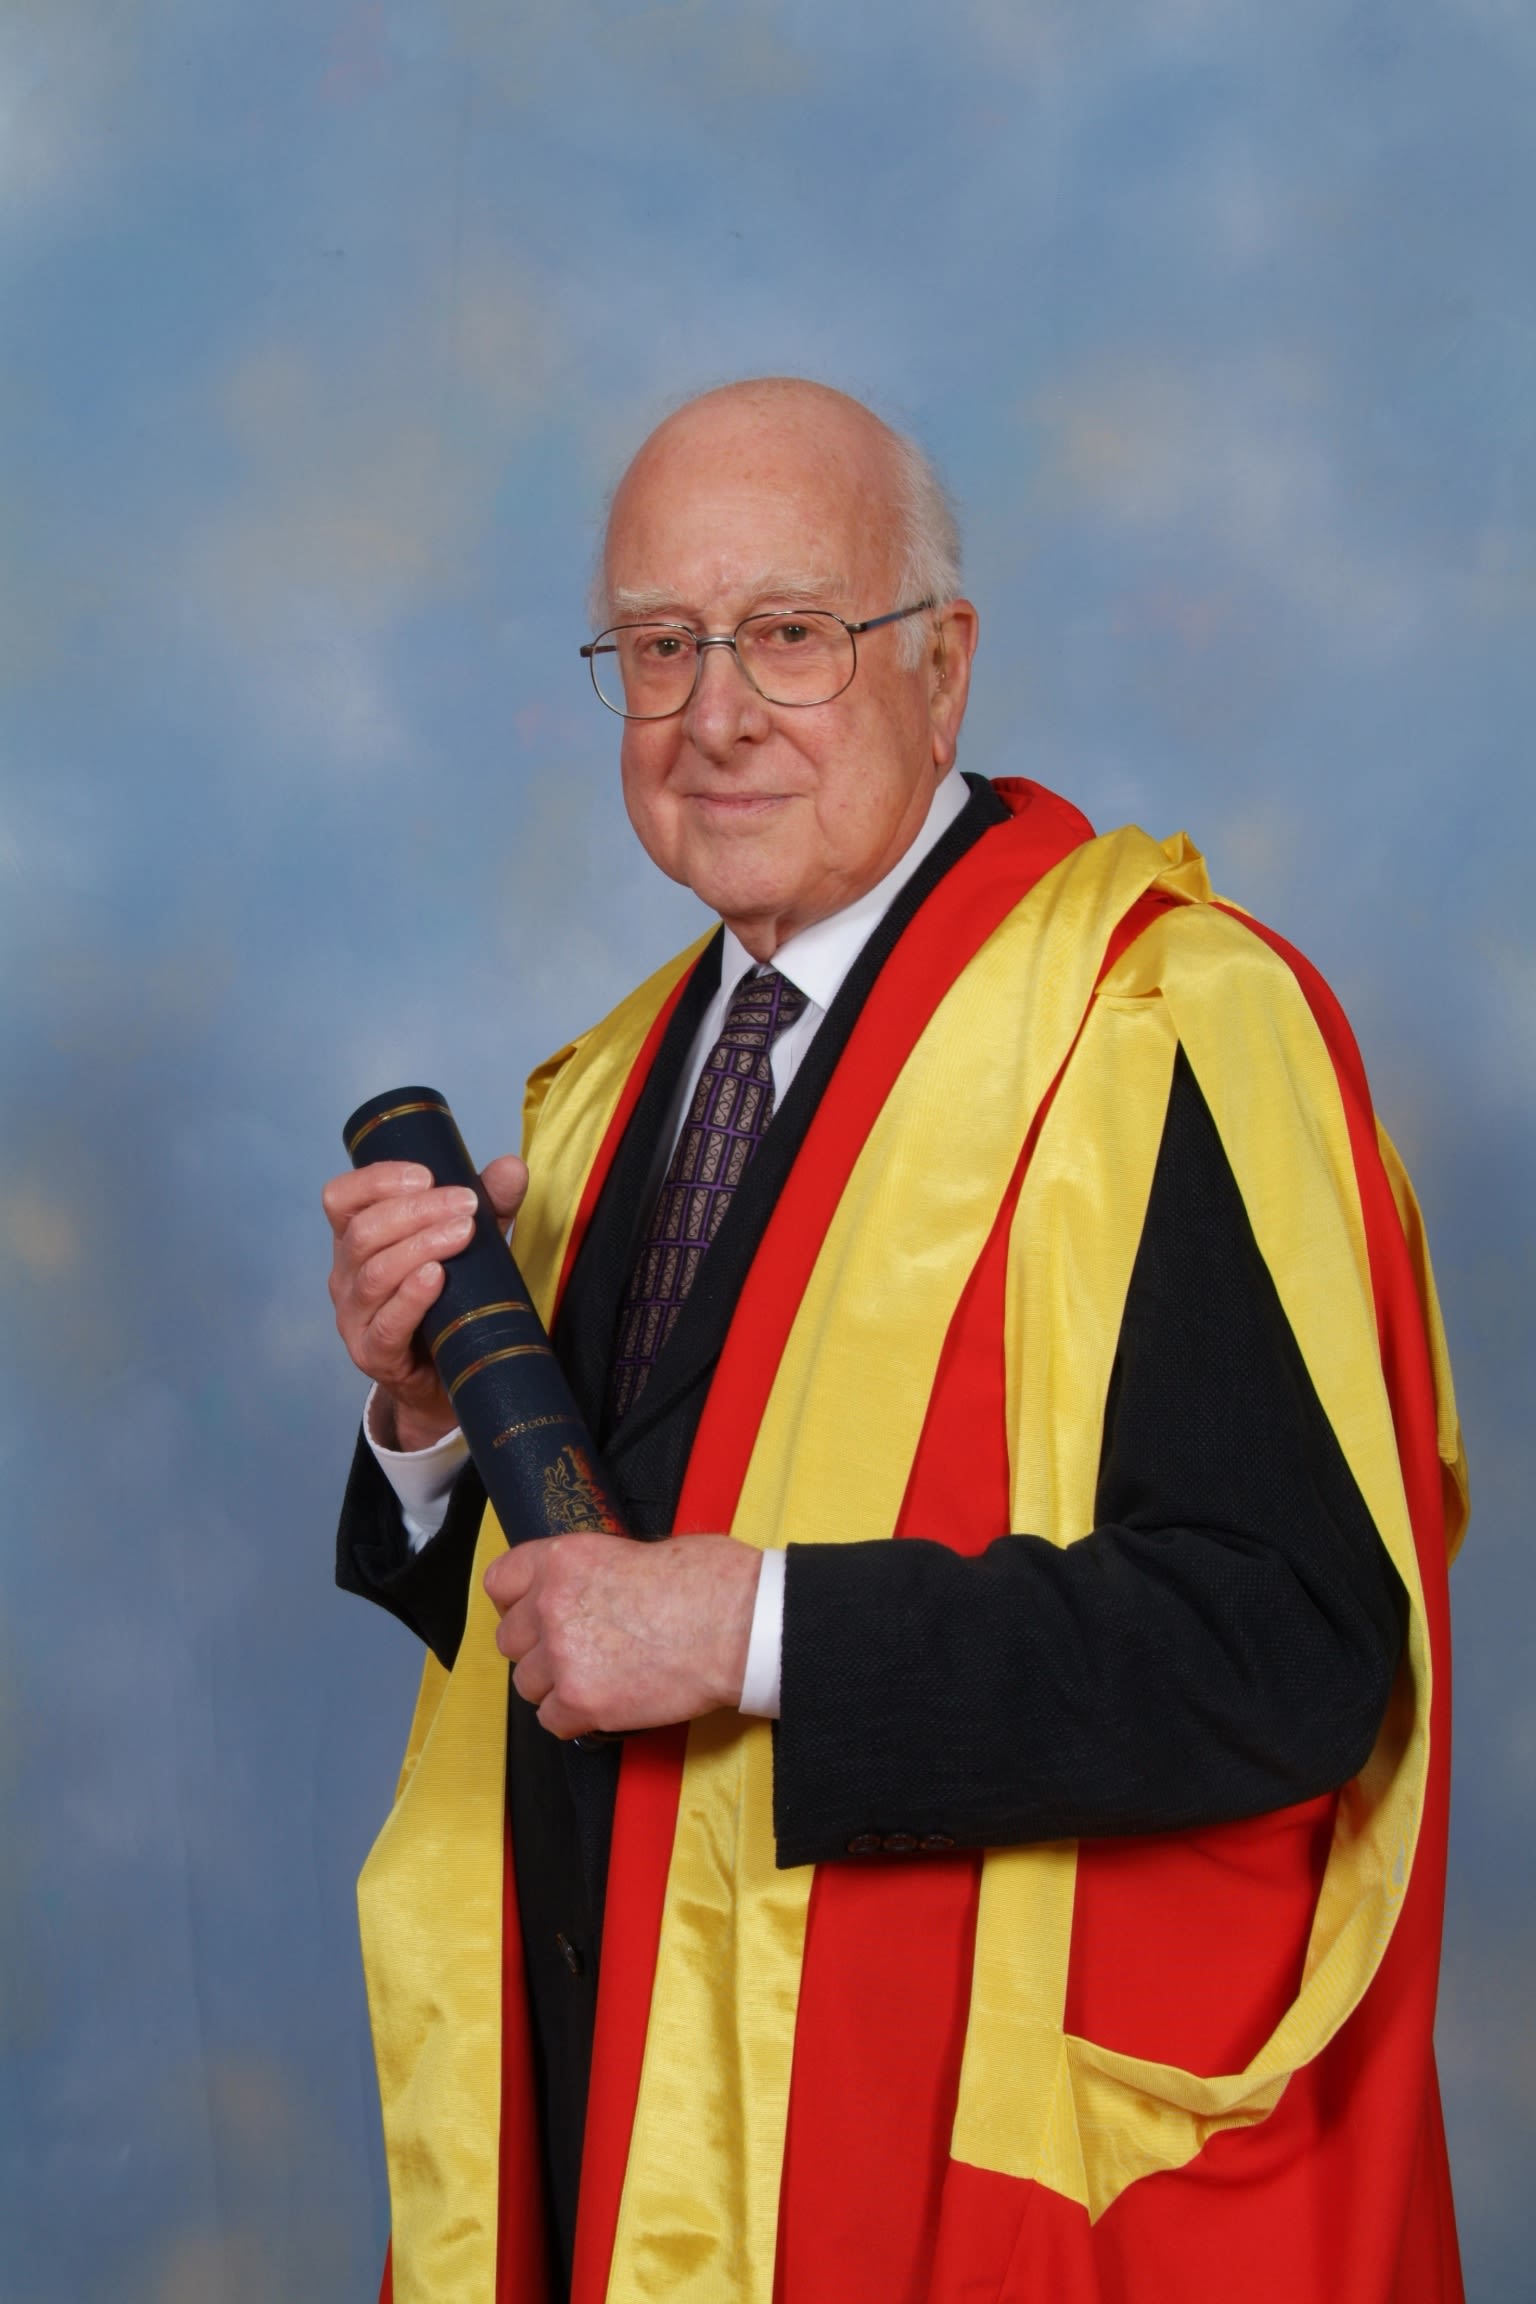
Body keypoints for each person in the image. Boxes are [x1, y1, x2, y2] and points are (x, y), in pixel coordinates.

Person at [322, 379, 1466, 2304]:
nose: (716, 716)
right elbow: (569, 1615)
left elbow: (1292, 1653)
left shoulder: (1161, 1028)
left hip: (941, 2173)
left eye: (788, 633)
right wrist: (422, 1421)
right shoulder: (610, 1086)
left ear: (943, 666)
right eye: (661, 647)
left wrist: (754, 1629)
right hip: (624, 2140)